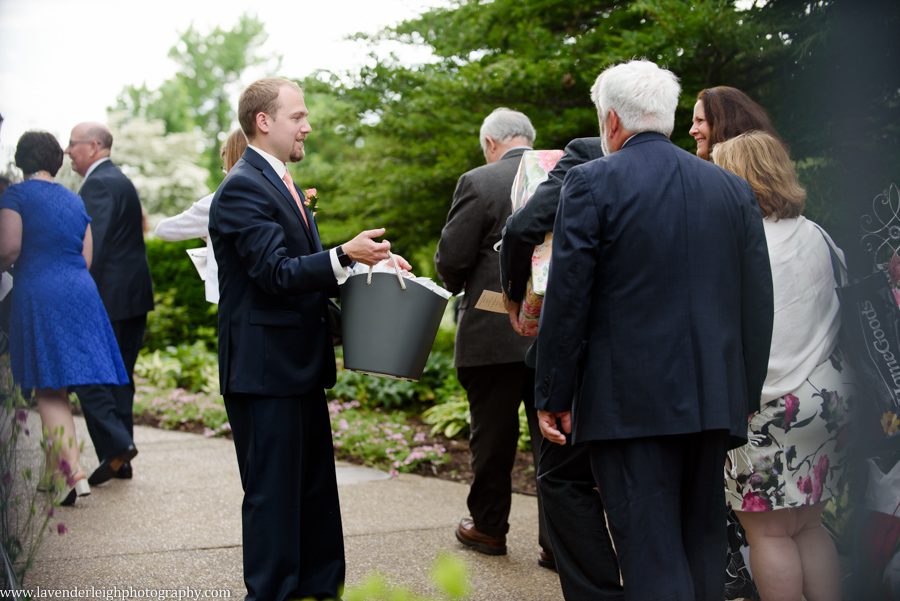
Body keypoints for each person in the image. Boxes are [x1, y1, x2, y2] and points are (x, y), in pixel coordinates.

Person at [535, 60, 774, 600]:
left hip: (627, 406)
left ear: (612, 121)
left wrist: (553, 391)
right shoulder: (731, 190)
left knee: (650, 551)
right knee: (701, 547)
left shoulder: (590, 181)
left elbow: (569, 297)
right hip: (714, 400)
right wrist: (745, 392)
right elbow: (757, 301)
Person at [208, 77, 410, 601]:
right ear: (264, 122)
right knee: (274, 497)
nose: (308, 125)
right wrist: (344, 255)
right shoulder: (242, 188)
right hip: (264, 371)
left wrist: (375, 272)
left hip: (297, 366)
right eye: (298, 116)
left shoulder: (284, 183)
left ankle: (321, 589)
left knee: (315, 490)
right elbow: (275, 274)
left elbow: (304, 277)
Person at [712, 130, 851, 601]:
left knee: (768, 535)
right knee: (809, 525)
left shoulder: (741, 244)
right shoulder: (819, 235)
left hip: (765, 408)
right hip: (826, 399)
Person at [500, 136, 624, 601]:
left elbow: (523, 226)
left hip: (588, 351)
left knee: (563, 477)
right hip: (663, 363)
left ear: (610, 117)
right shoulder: (699, 177)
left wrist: (515, 292)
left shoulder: (586, 155)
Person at [434, 107, 550, 563]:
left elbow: (452, 261)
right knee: (557, 442)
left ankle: (488, 528)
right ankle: (559, 543)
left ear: (489, 143)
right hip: (554, 335)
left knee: (492, 437)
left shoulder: (479, 181)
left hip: (492, 335)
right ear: (530, 138)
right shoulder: (564, 177)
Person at [0, 131, 130, 505]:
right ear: (57, 161)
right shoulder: (74, 199)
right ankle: (51, 476)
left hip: (40, 291)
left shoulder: (16, 195)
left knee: (48, 386)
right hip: (81, 292)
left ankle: (72, 473)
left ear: (21, 160)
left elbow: (9, 248)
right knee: (58, 385)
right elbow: (86, 257)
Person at [65, 122, 152, 485]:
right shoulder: (121, 179)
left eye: (73, 143)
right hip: (133, 297)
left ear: (95, 146)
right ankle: (121, 458)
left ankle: (117, 447)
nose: (68, 150)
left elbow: (92, 247)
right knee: (120, 379)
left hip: (109, 298)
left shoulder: (99, 183)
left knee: (91, 374)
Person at [155, 129, 248, 303]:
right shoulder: (271, 194)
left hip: (233, 299)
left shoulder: (217, 202)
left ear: (231, 161)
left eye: (224, 165)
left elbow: (162, 230)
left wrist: (208, 232)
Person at [689, 85, 780, 161]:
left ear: (725, 122)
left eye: (700, 120)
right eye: (693, 122)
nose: (691, 131)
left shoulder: (732, 176)